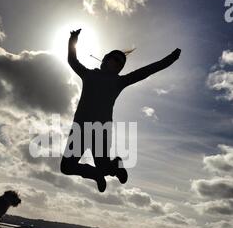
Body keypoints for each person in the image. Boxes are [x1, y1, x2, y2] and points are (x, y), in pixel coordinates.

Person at [61, 29, 181, 192]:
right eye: (115, 59)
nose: (118, 64)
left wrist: (170, 59)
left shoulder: (119, 81)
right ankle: (98, 173)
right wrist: (73, 39)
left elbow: (146, 71)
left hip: (101, 130)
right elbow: (72, 60)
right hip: (80, 128)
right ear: (105, 60)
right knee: (67, 167)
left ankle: (112, 167)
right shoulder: (88, 74)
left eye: (121, 63)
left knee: (103, 166)